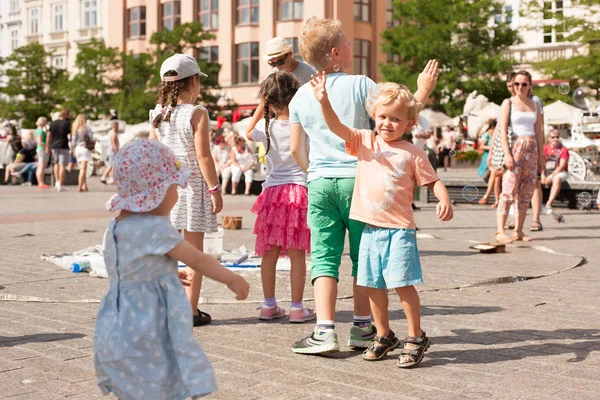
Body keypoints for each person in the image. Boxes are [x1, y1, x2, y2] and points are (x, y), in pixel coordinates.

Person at [310, 65, 452, 368]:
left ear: (409, 123)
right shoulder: (365, 141)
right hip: (369, 228)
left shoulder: (413, 153)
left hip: (399, 230)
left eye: (396, 119)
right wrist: (324, 101)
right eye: (383, 116)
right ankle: (384, 334)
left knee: (402, 284)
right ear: (374, 115)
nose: (387, 123)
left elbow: (433, 181)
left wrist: (444, 198)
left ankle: (415, 336)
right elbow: (336, 127)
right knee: (373, 284)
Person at [94, 139, 249, 400]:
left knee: (133, 377)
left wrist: (158, 271)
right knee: (159, 375)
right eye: (174, 188)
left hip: (118, 320)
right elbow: (198, 259)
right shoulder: (155, 228)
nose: (177, 195)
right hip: (150, 320)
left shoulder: (115, 227)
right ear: (155, 191)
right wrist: (231, 278)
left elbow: (123, 268)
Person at [288, 17, 376, 354]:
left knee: (324, 258)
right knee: (361, 256)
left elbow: (296, 147)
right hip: (358, 180)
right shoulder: (360, 84)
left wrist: (314, 171)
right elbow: (390, 111)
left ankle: (324, 331)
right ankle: (362, 327)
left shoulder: (300, 95)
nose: (353, 47)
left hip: (321, 182)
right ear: (337, 52)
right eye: (349, 43)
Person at [149, 53, 223, 327]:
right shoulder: (197, 112)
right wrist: (215, 189)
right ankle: (190, 311)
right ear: (193, 81)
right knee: (194, 254)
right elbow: (203, 157)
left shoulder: (157, 113)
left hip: (166, 190)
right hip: (192, 189)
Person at [246, 71, 314, 323]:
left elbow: (247, 130)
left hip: (272, 193)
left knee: (270, 253)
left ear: (269, 102)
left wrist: (261, 105)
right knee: (297, 254)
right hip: (298, 192)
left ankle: (268, 305)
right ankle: (297, 308)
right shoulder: (303, 125)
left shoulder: (267, 127)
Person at [494, 70, 544, 244]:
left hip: (531, 148)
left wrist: (541, 156)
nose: (520, 87)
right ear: (512, 85)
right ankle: (500, 230)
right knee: (508, 189)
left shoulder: (535, 104)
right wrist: (507, 154)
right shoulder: (508, 103)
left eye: (524, 84)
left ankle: (519, 230)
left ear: (530, 85)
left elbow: (539, 131)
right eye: (517, 84)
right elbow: (501, 130)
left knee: (526, 190)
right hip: (515, 147)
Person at [246, 37, 317, 137]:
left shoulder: (308, 71)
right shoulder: (272, 76)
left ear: (290, 54)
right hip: (285, 126)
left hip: (307, 124)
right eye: (272, 63)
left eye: (279, 62)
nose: (277, 66)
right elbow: (263, 103)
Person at [541, 129, 570, 214]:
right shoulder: (545, 148)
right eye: (553, 137)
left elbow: (561, 166)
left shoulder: (563, 149)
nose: (555, 139)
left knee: (556, 179)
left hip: (560, 172)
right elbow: (541, 164)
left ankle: (548, 204)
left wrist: (551, 176)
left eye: (557, 137)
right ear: (549, 138)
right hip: (546, 170)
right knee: (534, 180)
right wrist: (543, 175)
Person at [47, 108, 72, 192]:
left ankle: (57, 181)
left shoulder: (53, 123)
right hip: (64, 145)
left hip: (54, 145)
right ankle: (61, 183)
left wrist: (47, 146)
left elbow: (49, 135)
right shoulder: (67, 123)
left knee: (56, 163)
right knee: (62, 165)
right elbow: (71, 136)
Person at [71, 114, 94, 192]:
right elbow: (91, 138)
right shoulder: (87, 127)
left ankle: (84, 185)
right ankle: (80, 186)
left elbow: (73, 141)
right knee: (83, 169)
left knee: (82, 167)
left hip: (77, 148)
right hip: (84, 148)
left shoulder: (75, 128)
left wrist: (73, 150)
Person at [477, 119, 496, 204]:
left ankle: (493, 198)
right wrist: (491, 148)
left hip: (495, 157)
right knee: (492, 174)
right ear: (493, 127)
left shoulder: (497, 134)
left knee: (495, 177)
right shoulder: (487, 135)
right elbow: (481, 146)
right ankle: (489, 197)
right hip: (488, 157)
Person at [34, 117, 51, 189]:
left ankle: (41, 182)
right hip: (42, 149)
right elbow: (39, 142)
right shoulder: (40, 131)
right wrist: (46, 146)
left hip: (41, 149)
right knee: (41, 166)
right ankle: (40, 182)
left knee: (41, 167)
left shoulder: (39, 130)